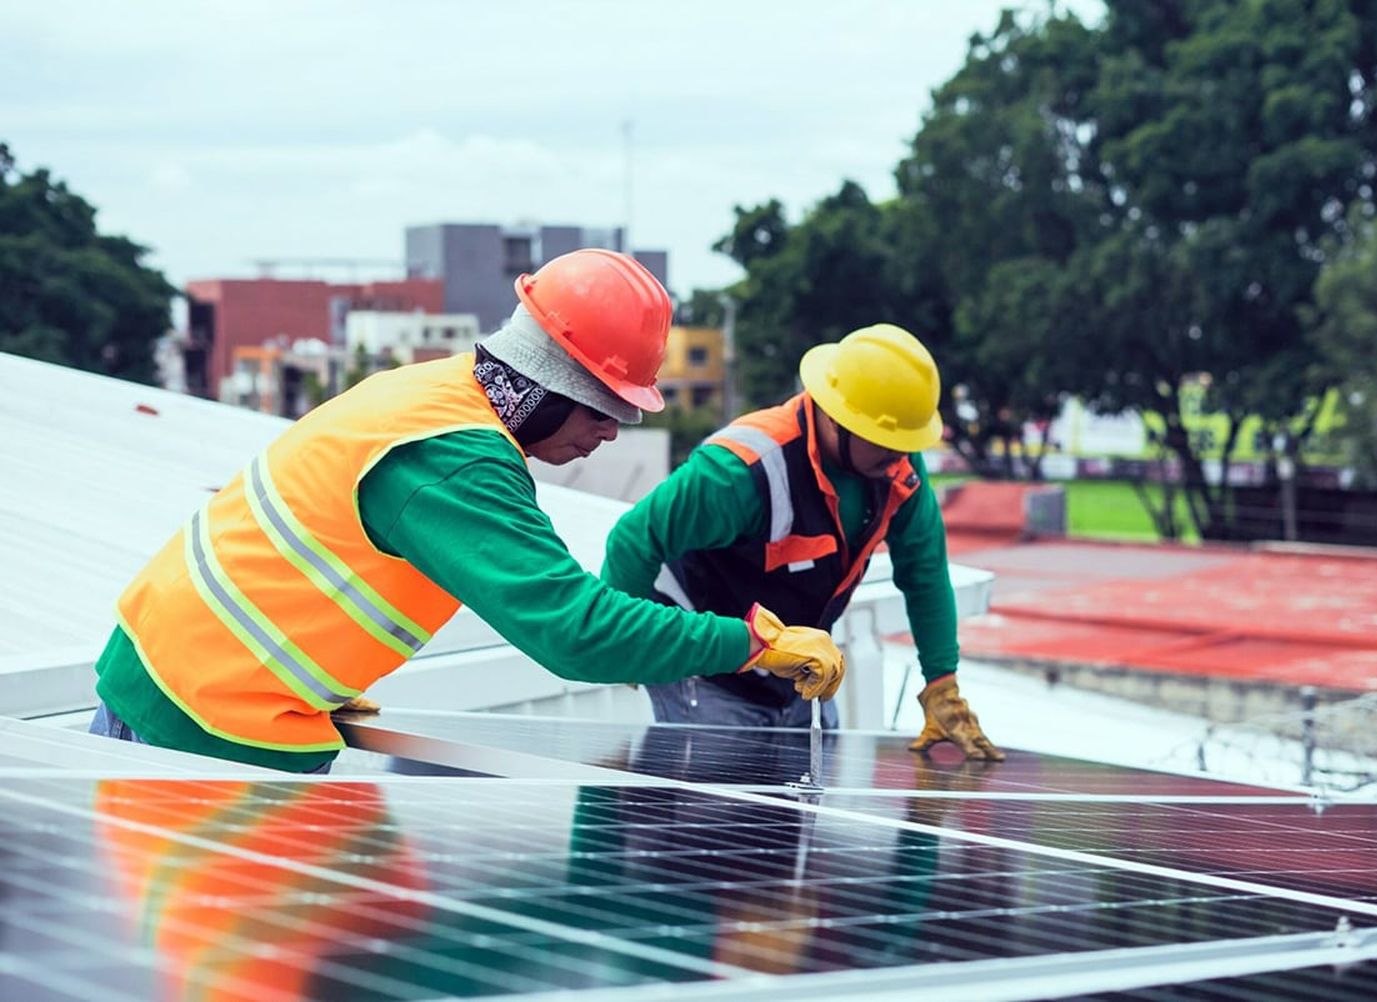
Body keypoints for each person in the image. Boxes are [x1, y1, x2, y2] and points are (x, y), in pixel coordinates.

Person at [87, 249, 845, 773]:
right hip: (203, 716)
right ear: (552, 380)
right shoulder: (456, 458)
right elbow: (573, 632)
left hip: (185, 677)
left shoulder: (435, 392)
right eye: (606, 406)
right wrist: (750, 643)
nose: (612, 431)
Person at [601, 323, 1001, 760]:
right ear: (837, 419)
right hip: (709, 672)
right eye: (887, 442)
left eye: (905, 444)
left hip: (800, 673)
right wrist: (628, 647)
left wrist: (942, 684)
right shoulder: (741, 470)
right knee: (720, 810)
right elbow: (634, 539)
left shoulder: (897, 471)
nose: (900, 457)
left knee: (799, 812)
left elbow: (924, 573)